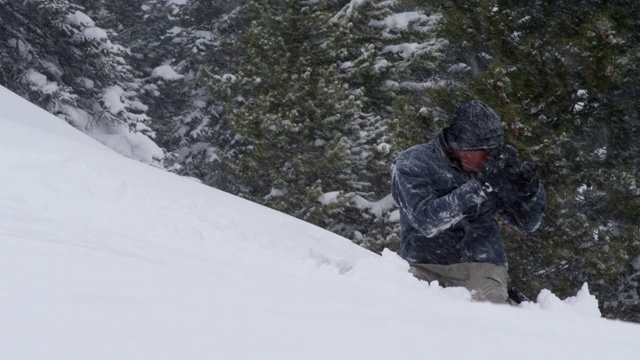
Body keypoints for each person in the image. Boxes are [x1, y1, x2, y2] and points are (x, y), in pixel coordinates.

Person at [391, 100, 546, 304]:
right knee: (406, 305)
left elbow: (529, 223)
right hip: (424, 265)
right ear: (461, 146)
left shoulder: (494, 169)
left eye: (495, 150)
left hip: (481, 265)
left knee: (488, 314)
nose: (490, 158)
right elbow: (426, 221)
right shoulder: (414, 163)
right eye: (486, 151)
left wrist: (528, 191)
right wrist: (479, 188)